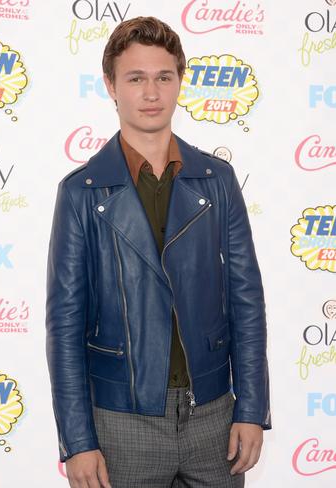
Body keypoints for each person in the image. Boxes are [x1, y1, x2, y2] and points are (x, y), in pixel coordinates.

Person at [46, 16, 271, 488]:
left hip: (214, 418)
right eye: (136, 78)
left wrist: (251, 408)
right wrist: (78, 441)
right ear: (111, 85)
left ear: (179, 83)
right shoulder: (81, 193)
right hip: (120, 424)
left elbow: (246, 299)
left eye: (163, 77)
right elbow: (65, 326)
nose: (151, 93)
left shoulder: (216, 180)